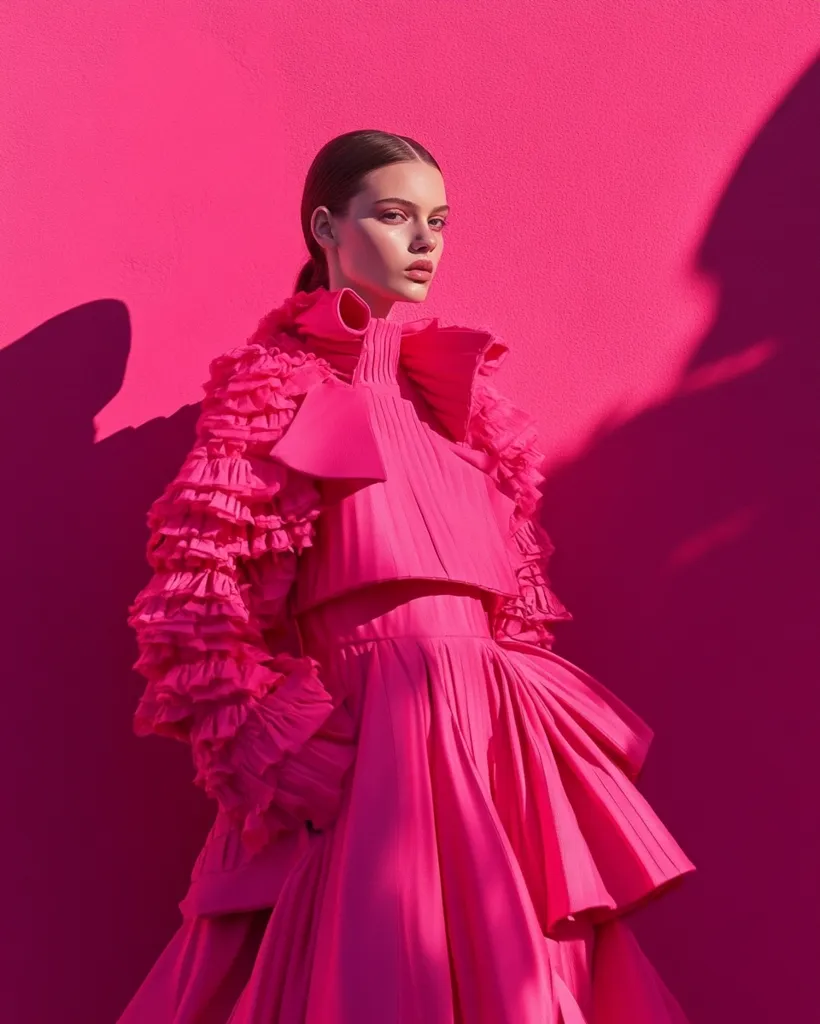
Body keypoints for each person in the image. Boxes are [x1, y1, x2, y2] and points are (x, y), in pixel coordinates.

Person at [118, 129, 696, 1023]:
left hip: (493, 745)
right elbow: (193, 599)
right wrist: (285, 751)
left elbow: (514, 610)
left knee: (521, 979)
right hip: (369, 743)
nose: (425, 241)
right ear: (326, 228)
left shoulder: (464, 406)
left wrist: (530, 742)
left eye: (438, 221)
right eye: (394, 216)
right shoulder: (272, 391)